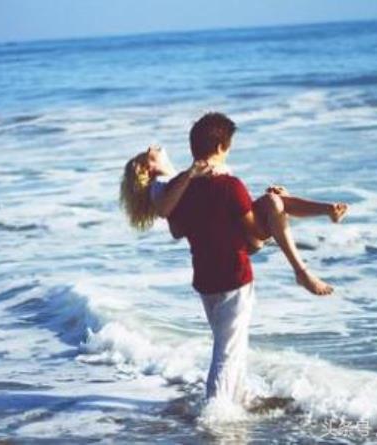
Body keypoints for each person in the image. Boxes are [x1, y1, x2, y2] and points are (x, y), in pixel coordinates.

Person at [119, 112, 348, 406]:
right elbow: (253, 234)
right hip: (234, 275)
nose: (157, 148)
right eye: (153, 152)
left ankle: (239, 397)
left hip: (206, 277)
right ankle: (216, 412)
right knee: (227, 351)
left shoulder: (178, 191)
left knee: (232, 344)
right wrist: (274, 218)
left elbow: (178, 226)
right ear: (220, 147)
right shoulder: (223, 185)